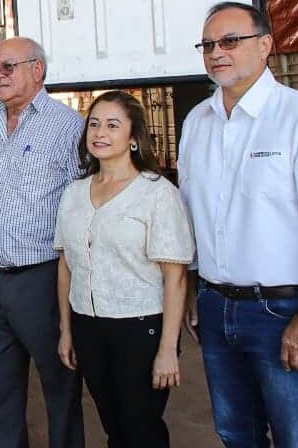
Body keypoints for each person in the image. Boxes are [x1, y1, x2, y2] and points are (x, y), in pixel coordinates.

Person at [179, 2, 298, 448]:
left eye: (230, 41)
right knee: (235, 433)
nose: (216, 53)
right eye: (208, 44)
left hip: (284, 310)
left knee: (297, 437)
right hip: (216, 308)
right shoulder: (198, 123)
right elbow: (190, 214)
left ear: (265, 45)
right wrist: (193, 290)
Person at [54, 90, 194, 447]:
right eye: (94, 124)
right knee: (115, 427)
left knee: (140, 428)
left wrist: (167, 348)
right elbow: (66, 266)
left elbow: (175, 278)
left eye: (113, 125)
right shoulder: (74, 193)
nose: (100, 132)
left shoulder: (157, 193)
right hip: (88, 325)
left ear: (134, 138)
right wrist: (67, 331)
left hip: (140, 328)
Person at [0, 37, 85, 448]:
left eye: (8, 67)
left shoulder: (67, 126)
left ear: (37, 70)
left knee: (60, 384)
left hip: (41, 279)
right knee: (0, 388)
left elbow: (82, 200)